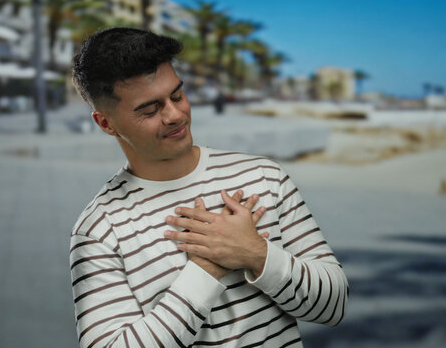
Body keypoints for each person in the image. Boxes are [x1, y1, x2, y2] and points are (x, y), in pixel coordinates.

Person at [70, 27, 348, 348]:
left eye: (177, 95)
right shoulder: (99, 230)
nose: (175, 115)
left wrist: (256, 254)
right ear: (106, 123)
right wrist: (204, 270)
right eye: (150, 109)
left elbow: (334, 305)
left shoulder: (264, 176)